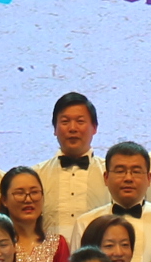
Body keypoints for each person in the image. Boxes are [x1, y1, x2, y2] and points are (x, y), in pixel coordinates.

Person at [37, 91, 112, 245]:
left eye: (80, 121)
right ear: (55, 128)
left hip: (97, 257)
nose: (72, 128)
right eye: (65, 121)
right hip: (48, 258)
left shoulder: (111, 175)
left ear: (94, 127)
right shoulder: (36, 176)